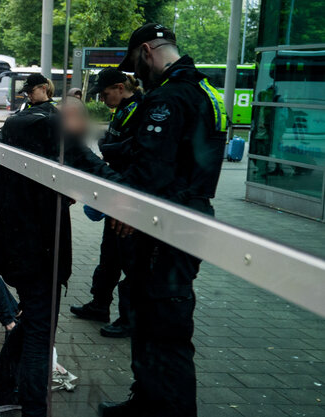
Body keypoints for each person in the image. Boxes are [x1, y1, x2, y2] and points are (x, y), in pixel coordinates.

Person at [100, 23, 227, 417]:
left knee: (164, 327)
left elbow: (152, 166)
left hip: (164, 225)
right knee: (153, 317)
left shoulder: (170, 98)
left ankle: (168, 408)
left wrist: (128, 208)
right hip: (188, 214)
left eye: (136, 64)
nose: (136, 74)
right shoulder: (207, 92)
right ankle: (148, 400)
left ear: (147, 51)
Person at [0, 90, 121, 416]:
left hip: (10, 245)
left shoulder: (19, 122)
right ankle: (33, 408)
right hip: (40, 250)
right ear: (71, 116)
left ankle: (2, 385)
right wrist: (135, 200)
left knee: (33, 319)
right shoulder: (54, 130)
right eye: (81, 125)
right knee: (40, 337)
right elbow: (91, 165)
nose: (81, 134)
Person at [70, 68, 143, 339]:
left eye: (104, 93)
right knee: (109, 255)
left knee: (129, 261)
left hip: (128, 194)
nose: (102, 99)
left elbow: (132, 149)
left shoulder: (140, 109)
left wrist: (109, 146)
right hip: (116, 191)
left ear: (120, 87)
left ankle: (128, 318)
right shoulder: (123, 110)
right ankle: (99, 304)